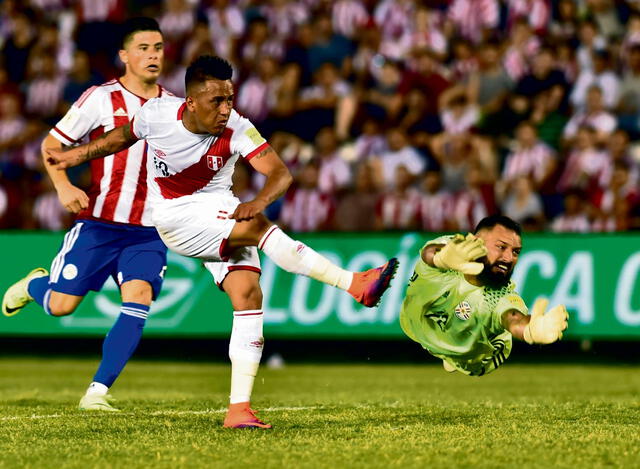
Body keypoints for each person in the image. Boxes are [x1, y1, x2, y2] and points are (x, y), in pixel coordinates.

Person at [46, 55, 398, 429]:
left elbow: (280, 173)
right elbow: (119, 138)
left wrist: (259, 200)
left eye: (230, 98)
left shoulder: (238, 127)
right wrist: (75, 155)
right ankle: (354, 284)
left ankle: (239, 409)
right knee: (257, 228)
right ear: (192, 102)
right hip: (175, 216)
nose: (226, 108)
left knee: (248, 295)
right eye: (218, 101)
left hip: (222, 209)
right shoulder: (158, 114)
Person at [2, 18, 170, 411]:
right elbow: (51, 145)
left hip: (148, 230)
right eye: (144, 48)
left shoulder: (174, 107)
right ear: (124, 56)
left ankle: (97, 392)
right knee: (61, 305)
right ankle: (33, 286)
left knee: (139, 297)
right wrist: (63, 185)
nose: (152, 55)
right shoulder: (100, 98)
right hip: (99, 224)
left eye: (158, 48)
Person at [400, 215, 567, 376]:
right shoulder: (451, 249)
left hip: (474, 358)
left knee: (474, 354)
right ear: (477, 241)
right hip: (413, 323)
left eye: (516, 252)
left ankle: (453, 354)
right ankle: (449, 347)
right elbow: (430, 252)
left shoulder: (501, 297)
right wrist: (441, 259)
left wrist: (530, 330)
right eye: (501, 247)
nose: (509, 258)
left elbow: (514, 319)